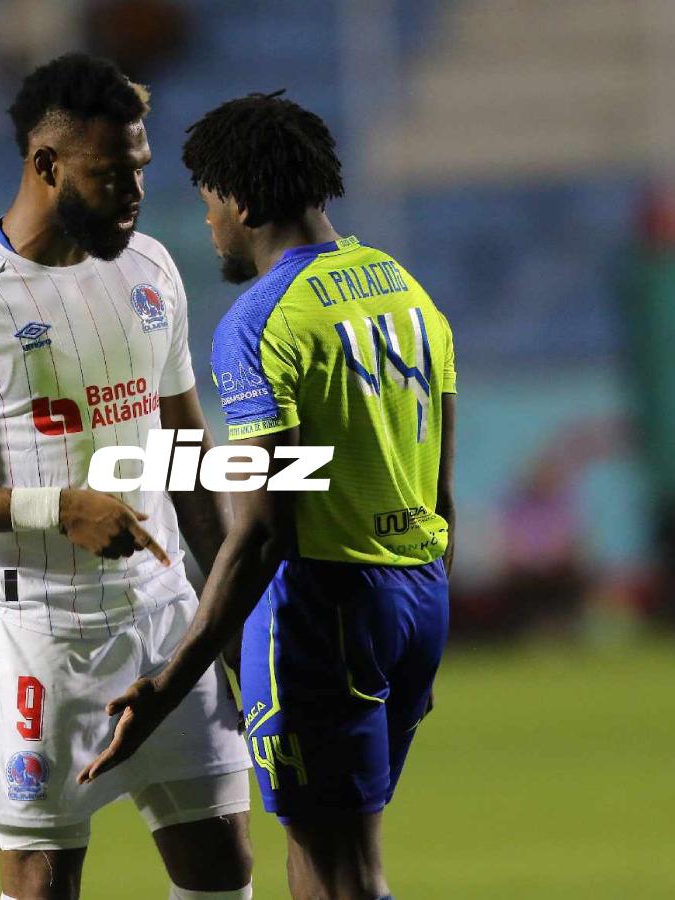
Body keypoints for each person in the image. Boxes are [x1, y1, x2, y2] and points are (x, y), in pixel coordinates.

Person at [0, 54, 253, 900]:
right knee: (42, 884)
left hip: (165, 620)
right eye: (112, 175)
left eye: (140, 172)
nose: (135, 193)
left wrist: (232, 627)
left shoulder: (151, 271)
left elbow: (187, 455)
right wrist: (53, 507)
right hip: (38, 635)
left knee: (223, 867)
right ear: (46, 165)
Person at [80, 92, 458, 900]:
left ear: (242, 203)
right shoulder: (407, 293)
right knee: (331, 843)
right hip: (417, 595)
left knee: (342, 871)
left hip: (322, 609)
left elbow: (257, 531)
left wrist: (169, 683)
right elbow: (441, 491)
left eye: (210, 203)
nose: (210, 223)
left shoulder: (257, 324)